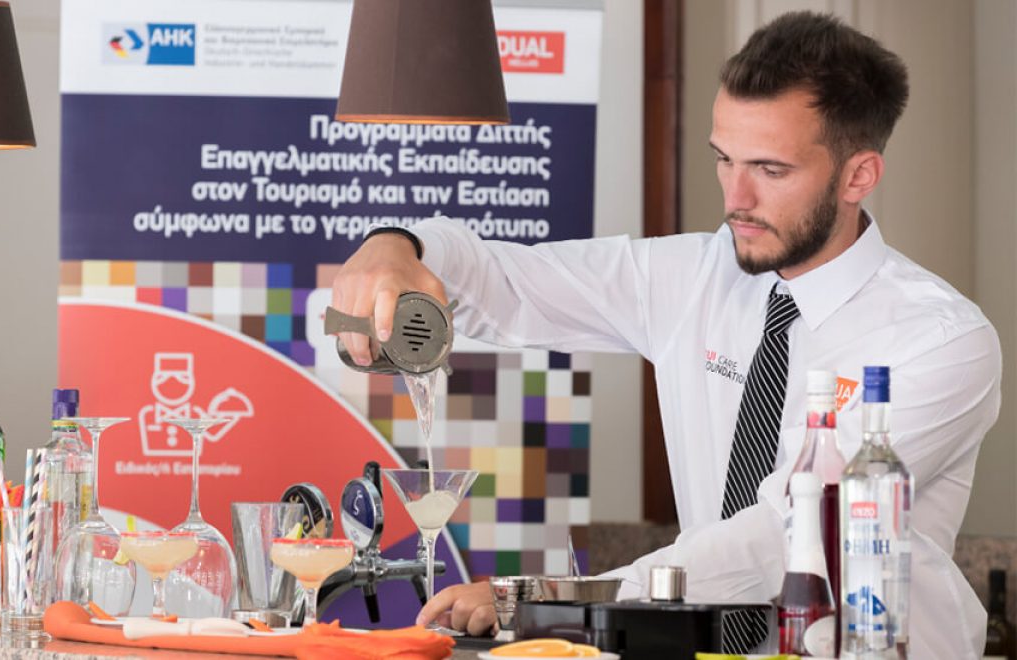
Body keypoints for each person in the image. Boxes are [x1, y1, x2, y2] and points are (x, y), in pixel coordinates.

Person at [331, 11, 1000, 659]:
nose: (736, 197)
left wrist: (558, 600)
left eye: (770, 170)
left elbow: (788, 534)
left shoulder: (939, 340)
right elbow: (506, 282)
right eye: (724, 159)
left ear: (859, 175)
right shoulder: (694, 276)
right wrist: (399, 245)